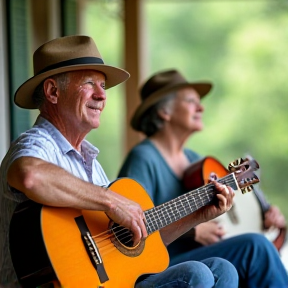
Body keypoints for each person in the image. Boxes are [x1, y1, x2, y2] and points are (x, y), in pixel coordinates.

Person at [0, 36, 238, 288]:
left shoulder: (90, 162)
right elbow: (30, 176)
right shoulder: (37, 144)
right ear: (53, 92)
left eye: (103, 85)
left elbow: (142, 243)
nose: (102, 95)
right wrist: (112, 202)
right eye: (89, 83)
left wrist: (197, 216)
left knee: (222, 269)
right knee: (197, 274)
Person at [118, 69, 288, 288]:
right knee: (255, 247)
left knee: (256, 244)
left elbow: (230, 213)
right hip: (160, 267)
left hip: (199, 258)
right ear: (164, 112)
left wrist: (265, 215)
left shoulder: (194, 160)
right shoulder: (144, 158)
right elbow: (129, 228)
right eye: (191, 101)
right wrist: (193, 231)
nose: (201, 107)